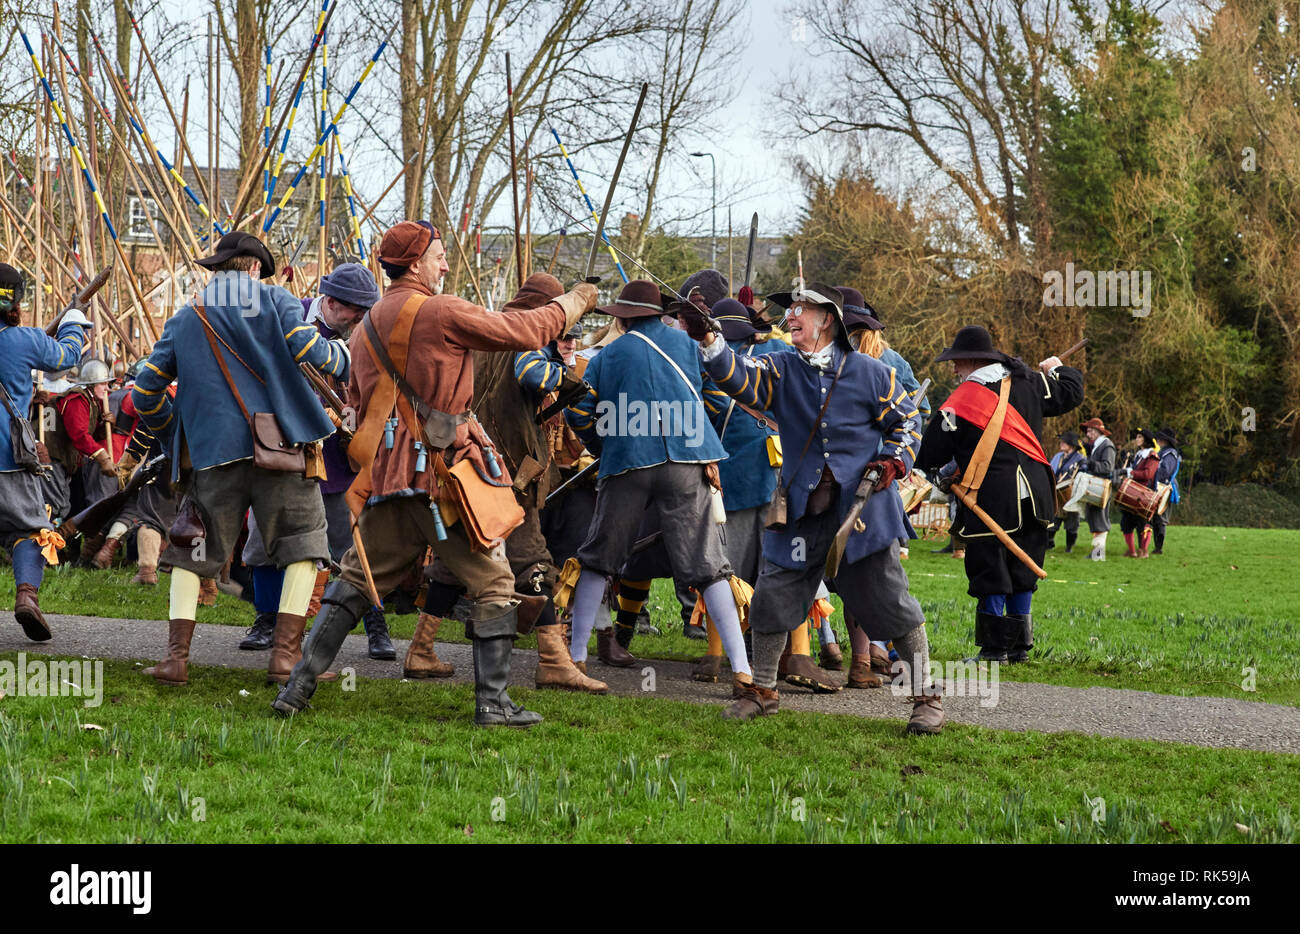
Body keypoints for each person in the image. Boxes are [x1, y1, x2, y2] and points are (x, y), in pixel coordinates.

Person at [272, 220, 595, 727]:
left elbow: (357, 404)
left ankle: (297, 688)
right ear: (417, 262)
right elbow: (526, 332)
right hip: (440, 476)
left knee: (356, 580)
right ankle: (493, 703)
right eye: (439, 256)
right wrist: (575, 300)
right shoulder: (440, 310)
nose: (445, 265)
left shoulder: (371, 319)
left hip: (386, 478)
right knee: (494, 583)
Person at [681, 281, 942, 733]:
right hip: (800, 510)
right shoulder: (779, 368)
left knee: (890, 604)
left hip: (859, 512)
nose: (790, 316)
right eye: (791, 309)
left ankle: (926, 697)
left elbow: (908, 420)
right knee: (773, 599)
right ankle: (762, 691)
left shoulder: (872, 372)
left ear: (828, 321)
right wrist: (709, 339)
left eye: (800, 309)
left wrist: (895, 461)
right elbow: (738, 378)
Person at [131, 231, 351, 686]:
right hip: (281, 448)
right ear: (254, 268)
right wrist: (345, 355)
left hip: (212, 456)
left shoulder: (187, 316)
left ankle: (176, 661)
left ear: (217, 270)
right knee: (304, 547)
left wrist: (175, 434)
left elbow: (145, 391)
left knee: (193, 550)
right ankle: (285, 659)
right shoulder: (277, 301)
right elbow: (315, 353)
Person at [402, 272, 607, 693]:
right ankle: (553, 661)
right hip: (507, 476)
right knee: (533, 562)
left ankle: (420, 650)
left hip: (467, 469)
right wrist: (567, 378)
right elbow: (533, 373)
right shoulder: (526, 342)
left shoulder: (483, 338)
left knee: (457, 562)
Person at [560, 279, 753, 697]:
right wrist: (696, 436)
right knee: (710, 567)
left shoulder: (607, 356)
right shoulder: (689, 347)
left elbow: (579, 412)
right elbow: (721, 400)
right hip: (688, 464)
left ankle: (575, 659)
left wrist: (604, 445)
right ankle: (742, 673)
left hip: (627, 461)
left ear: (624, 316)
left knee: (598, 558)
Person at [236, 263, 396, 660]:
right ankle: (267, 620)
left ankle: (376, 625)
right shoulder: (287, 321)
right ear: (332, 303)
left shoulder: (366, 337)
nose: (360, 320)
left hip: (338, 462)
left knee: (351, 547)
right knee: (266, 541)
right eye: (355, 313)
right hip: (283, 453)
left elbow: (375, 393)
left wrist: (356, 417)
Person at [916, 325, 1083, 663]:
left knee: (988, 567)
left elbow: (930, 452)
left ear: (972, 361)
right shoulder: (1032, 382)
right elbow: (1072, 391)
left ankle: (994, 649)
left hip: (990, 495)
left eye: (957, 362)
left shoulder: (960, 401)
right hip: (1037, 492)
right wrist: (1057, 368)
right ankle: (1020, 647)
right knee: (1026, 565)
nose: (953, 368)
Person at [0, 262, 93, 640]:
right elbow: (68, 357)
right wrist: (73, 319)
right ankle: (26, 596)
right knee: (34, 530)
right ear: (16, 302)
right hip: (9, 459)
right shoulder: (23, 339)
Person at [1118, 428, 1158, 558]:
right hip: (1133, 492)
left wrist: (1131, 472)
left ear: (1146, 440)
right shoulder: (1139, 454)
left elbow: (1148, 474)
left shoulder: (1152, 455)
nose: (1137, 439)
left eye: (1140, 437)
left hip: (1144, 494)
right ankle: (1132, 551)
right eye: (1137, 437)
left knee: (1143, 524)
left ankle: (1143, 550)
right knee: (1126, 522)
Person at [1080, 417, 1115, 560]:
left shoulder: (1107, 446)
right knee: (1094, 519)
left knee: (1100, 519)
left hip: (1102, 487)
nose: (1088, 434)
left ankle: (1099, 554)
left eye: (1090, 431)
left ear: (1097, 431)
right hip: (1095, 486)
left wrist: (1090, 463)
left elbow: (1108, 467)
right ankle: (1097, 553)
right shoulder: (1098, 446)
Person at [1047, 431, 1085, 552]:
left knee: (1072, 523)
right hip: (1057, 493)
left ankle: (1069, 547)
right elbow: (1051, 470)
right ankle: (1049, 543)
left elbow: (1083, 475)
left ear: (1072, 445)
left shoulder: (1080, 459)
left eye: (1065, 441)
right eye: (1061, 441)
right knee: (1054, 520)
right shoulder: (1058, 456)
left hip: (1071, 494)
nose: (1061, 443)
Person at [1150, 427, 1182, 555]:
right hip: (1159, 486)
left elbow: (1165, 472)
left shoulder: (1170, 454)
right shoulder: (1163, 452)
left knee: (1160, 519)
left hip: (1165, 488)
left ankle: (1158, 548)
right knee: (1155, 518)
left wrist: (1153, 476)